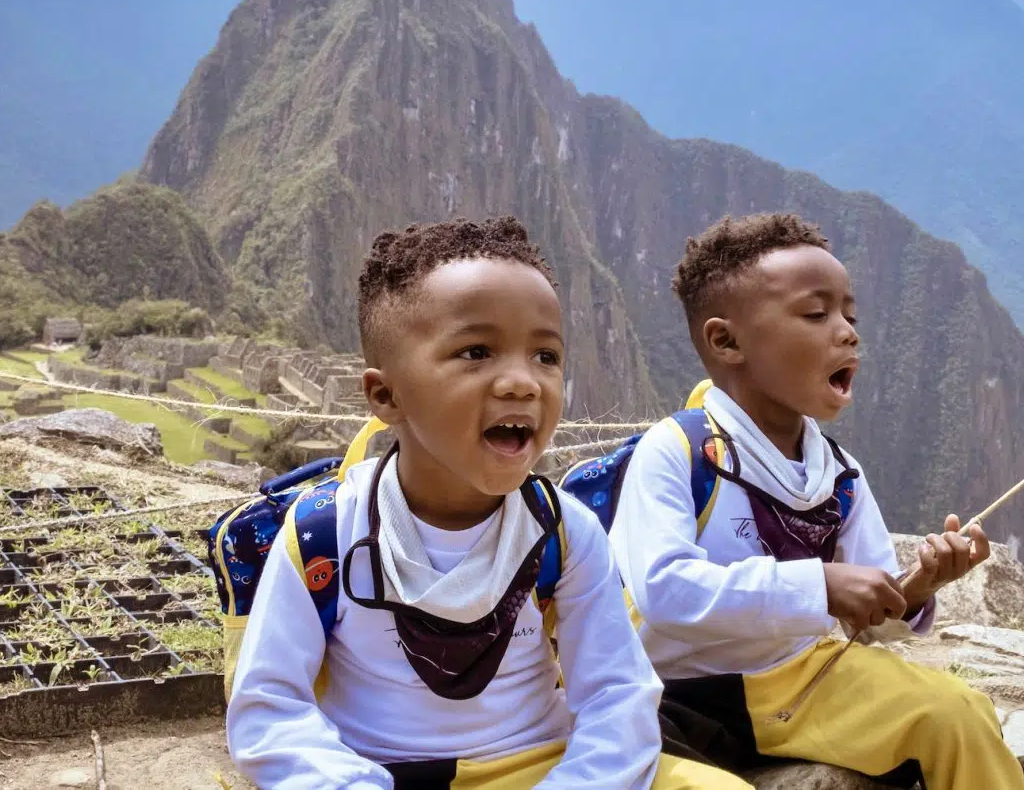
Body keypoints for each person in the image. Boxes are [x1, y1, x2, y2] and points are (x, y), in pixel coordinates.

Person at [225, 217, 751, 789]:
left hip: (541, 764)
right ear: (386, 394)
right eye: (477, 352)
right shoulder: (323, 532)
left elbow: (616, 692)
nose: (523, 382)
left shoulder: (563, 532)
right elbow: (269, 707)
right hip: (380, 773)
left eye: (545, 356)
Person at [607, 212, 1024, 789]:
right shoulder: (677, 451)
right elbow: (664, 591)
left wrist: (918, 586)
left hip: (802, 676)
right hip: (675, 692)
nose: (848, 332)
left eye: (848, 315)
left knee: (958, 714)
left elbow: (875, 606)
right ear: (726, 340)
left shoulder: (839, 475)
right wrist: (822, 585)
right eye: (816, 315)